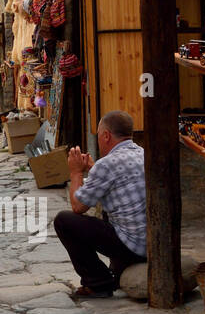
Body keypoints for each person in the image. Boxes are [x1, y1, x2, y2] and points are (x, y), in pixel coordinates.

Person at [55, 110, 147, 298]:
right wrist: (93, 167)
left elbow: (78, 206)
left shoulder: (106, 164)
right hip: (150, 243)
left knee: (64, 221)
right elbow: (114, 180)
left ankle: (97, 282)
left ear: (106, 136)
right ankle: (115, 272)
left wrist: (75, 172)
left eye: (98, 136)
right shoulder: (143, 153)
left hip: (132, 246)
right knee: (108, 210)